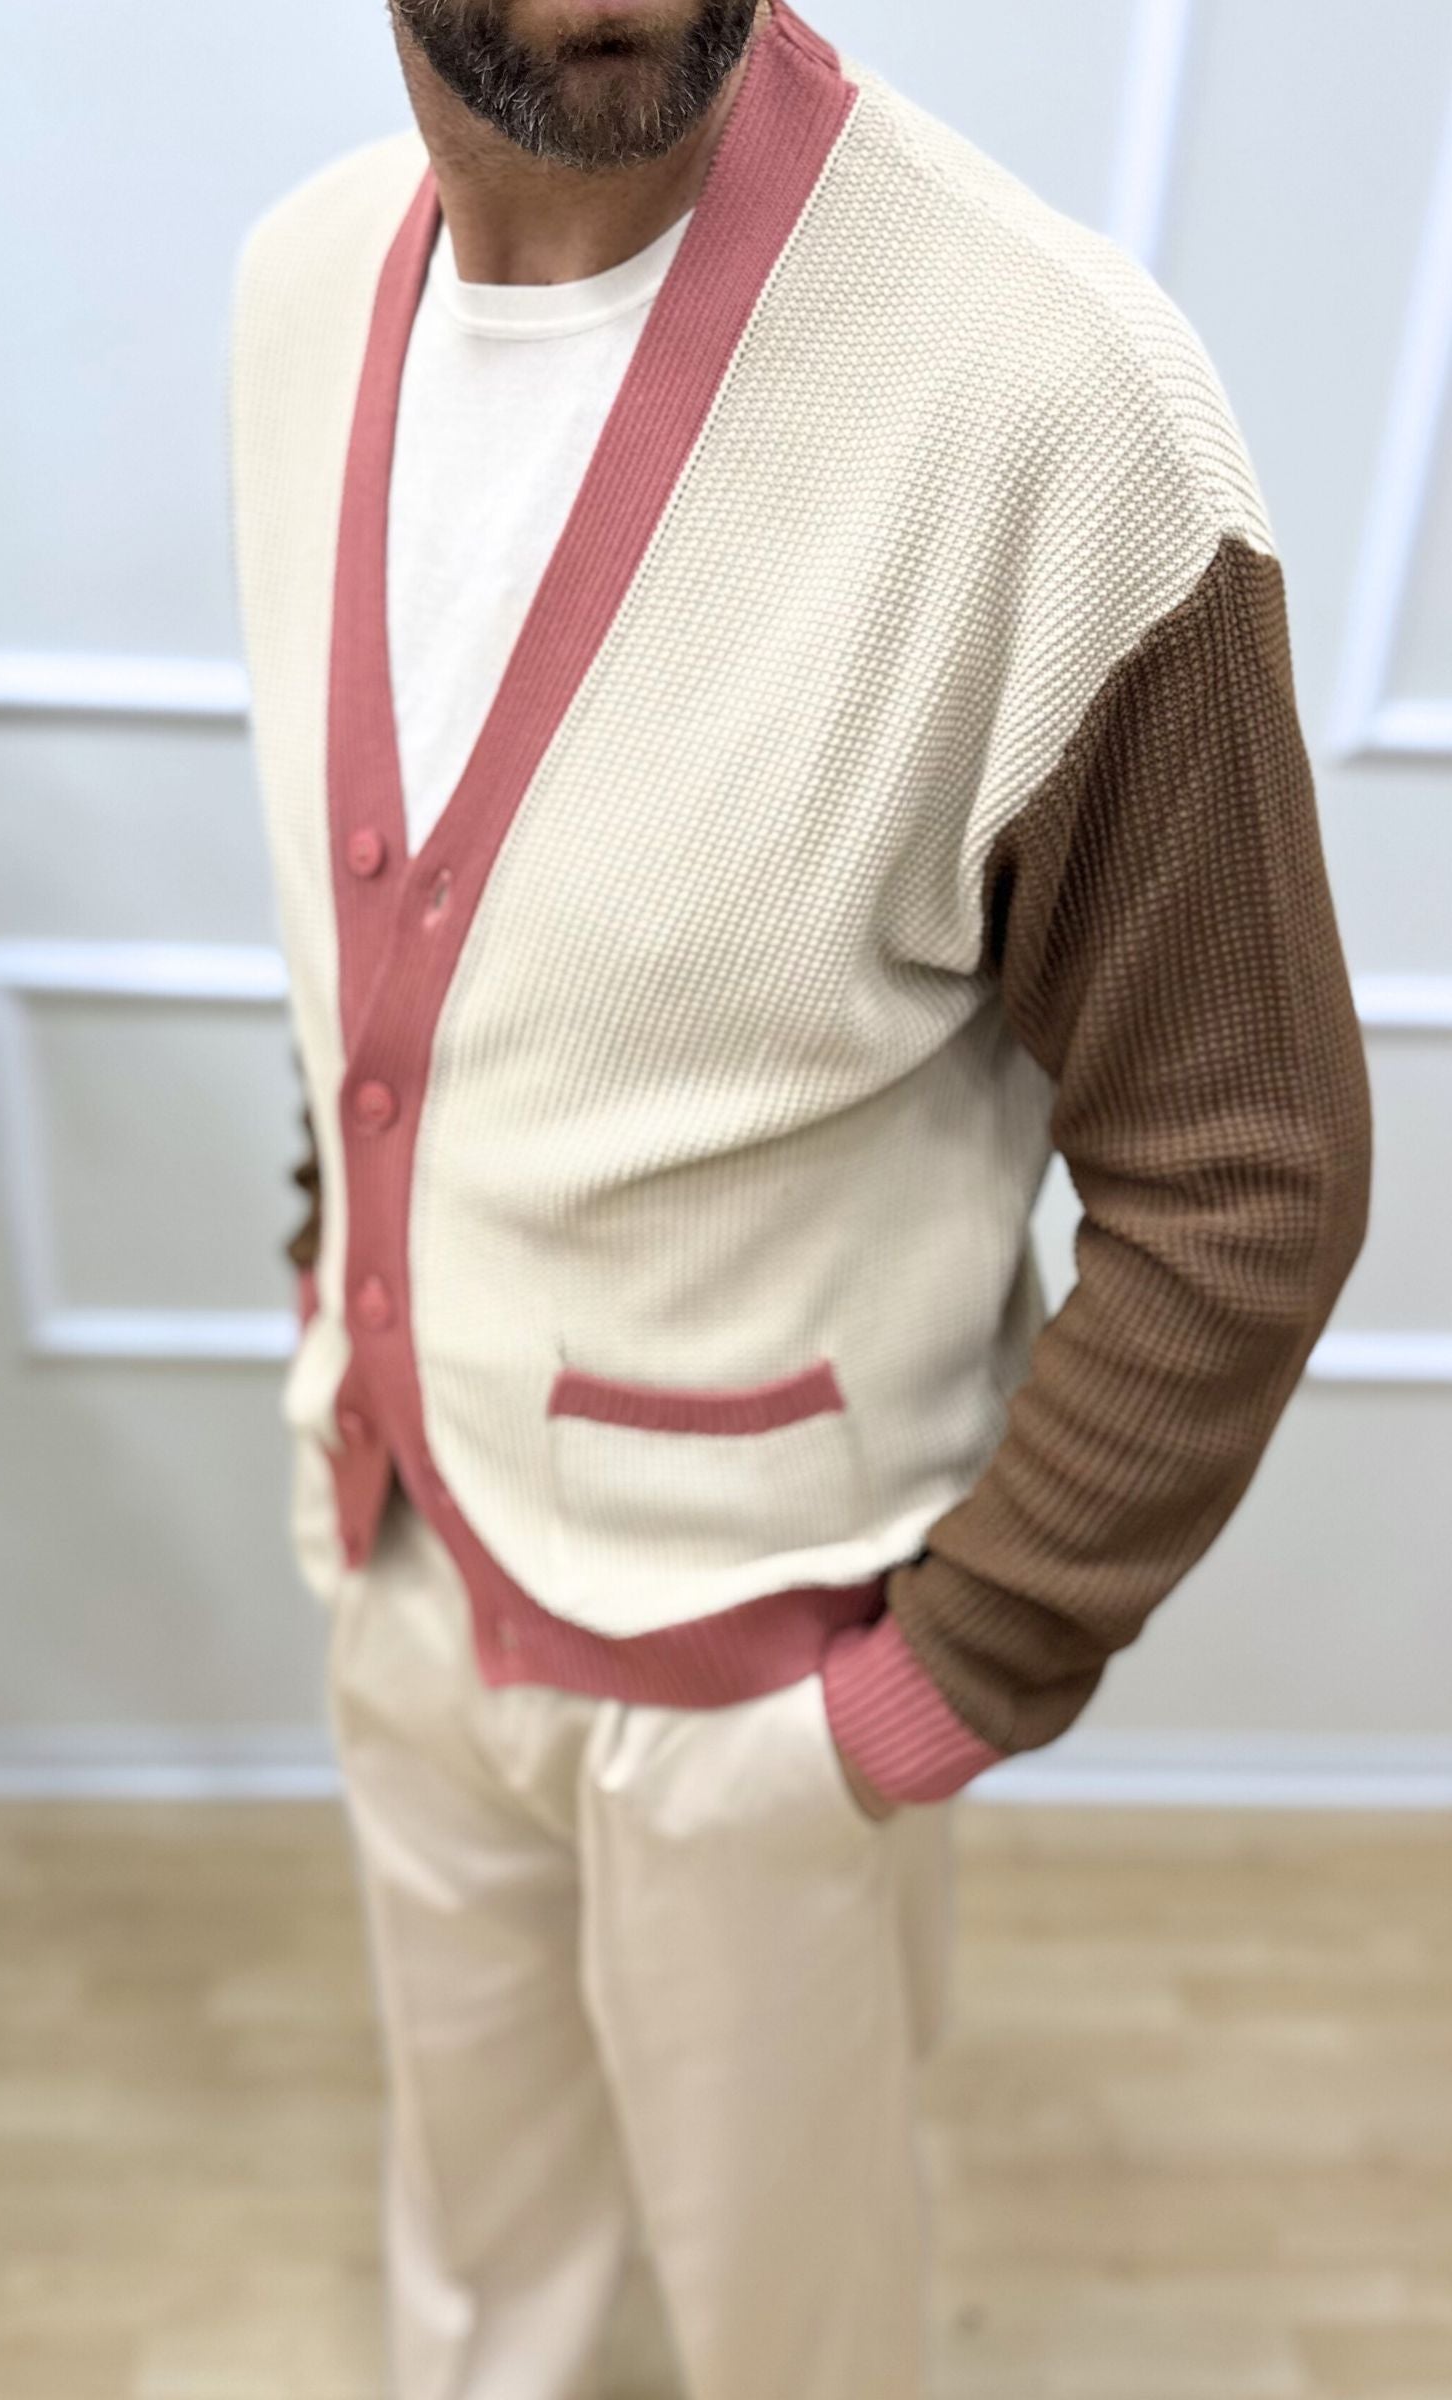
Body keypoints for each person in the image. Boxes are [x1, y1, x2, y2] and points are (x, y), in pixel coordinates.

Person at [225, 4, 1373, 2393]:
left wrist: (941, 1682)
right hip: (402, 1542)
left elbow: (1247, 1170)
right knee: (478, 2253)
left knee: (794, 2328)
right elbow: (395, 942)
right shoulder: (300, 289)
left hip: (757, 1668)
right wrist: (340, 1285)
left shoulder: (1058, 409)